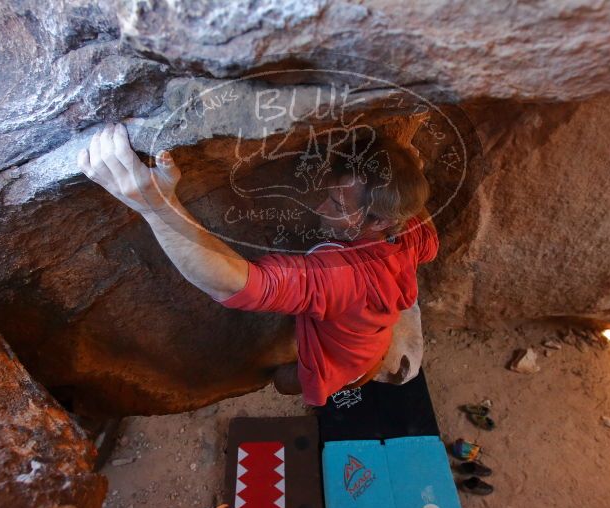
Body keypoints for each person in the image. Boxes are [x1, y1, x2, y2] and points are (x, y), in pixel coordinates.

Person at [77, 123, 439, 406]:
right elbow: (430, 246)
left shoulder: (343, 278)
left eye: (339, 207)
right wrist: (407, 169)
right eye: (329, 195)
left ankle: (365, 373)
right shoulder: (412, 230)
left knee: (285, 383)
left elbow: (232, 283)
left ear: (379, 222)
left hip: (348, 359)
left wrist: (155, 206)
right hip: (367, 325)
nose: (321, 209)